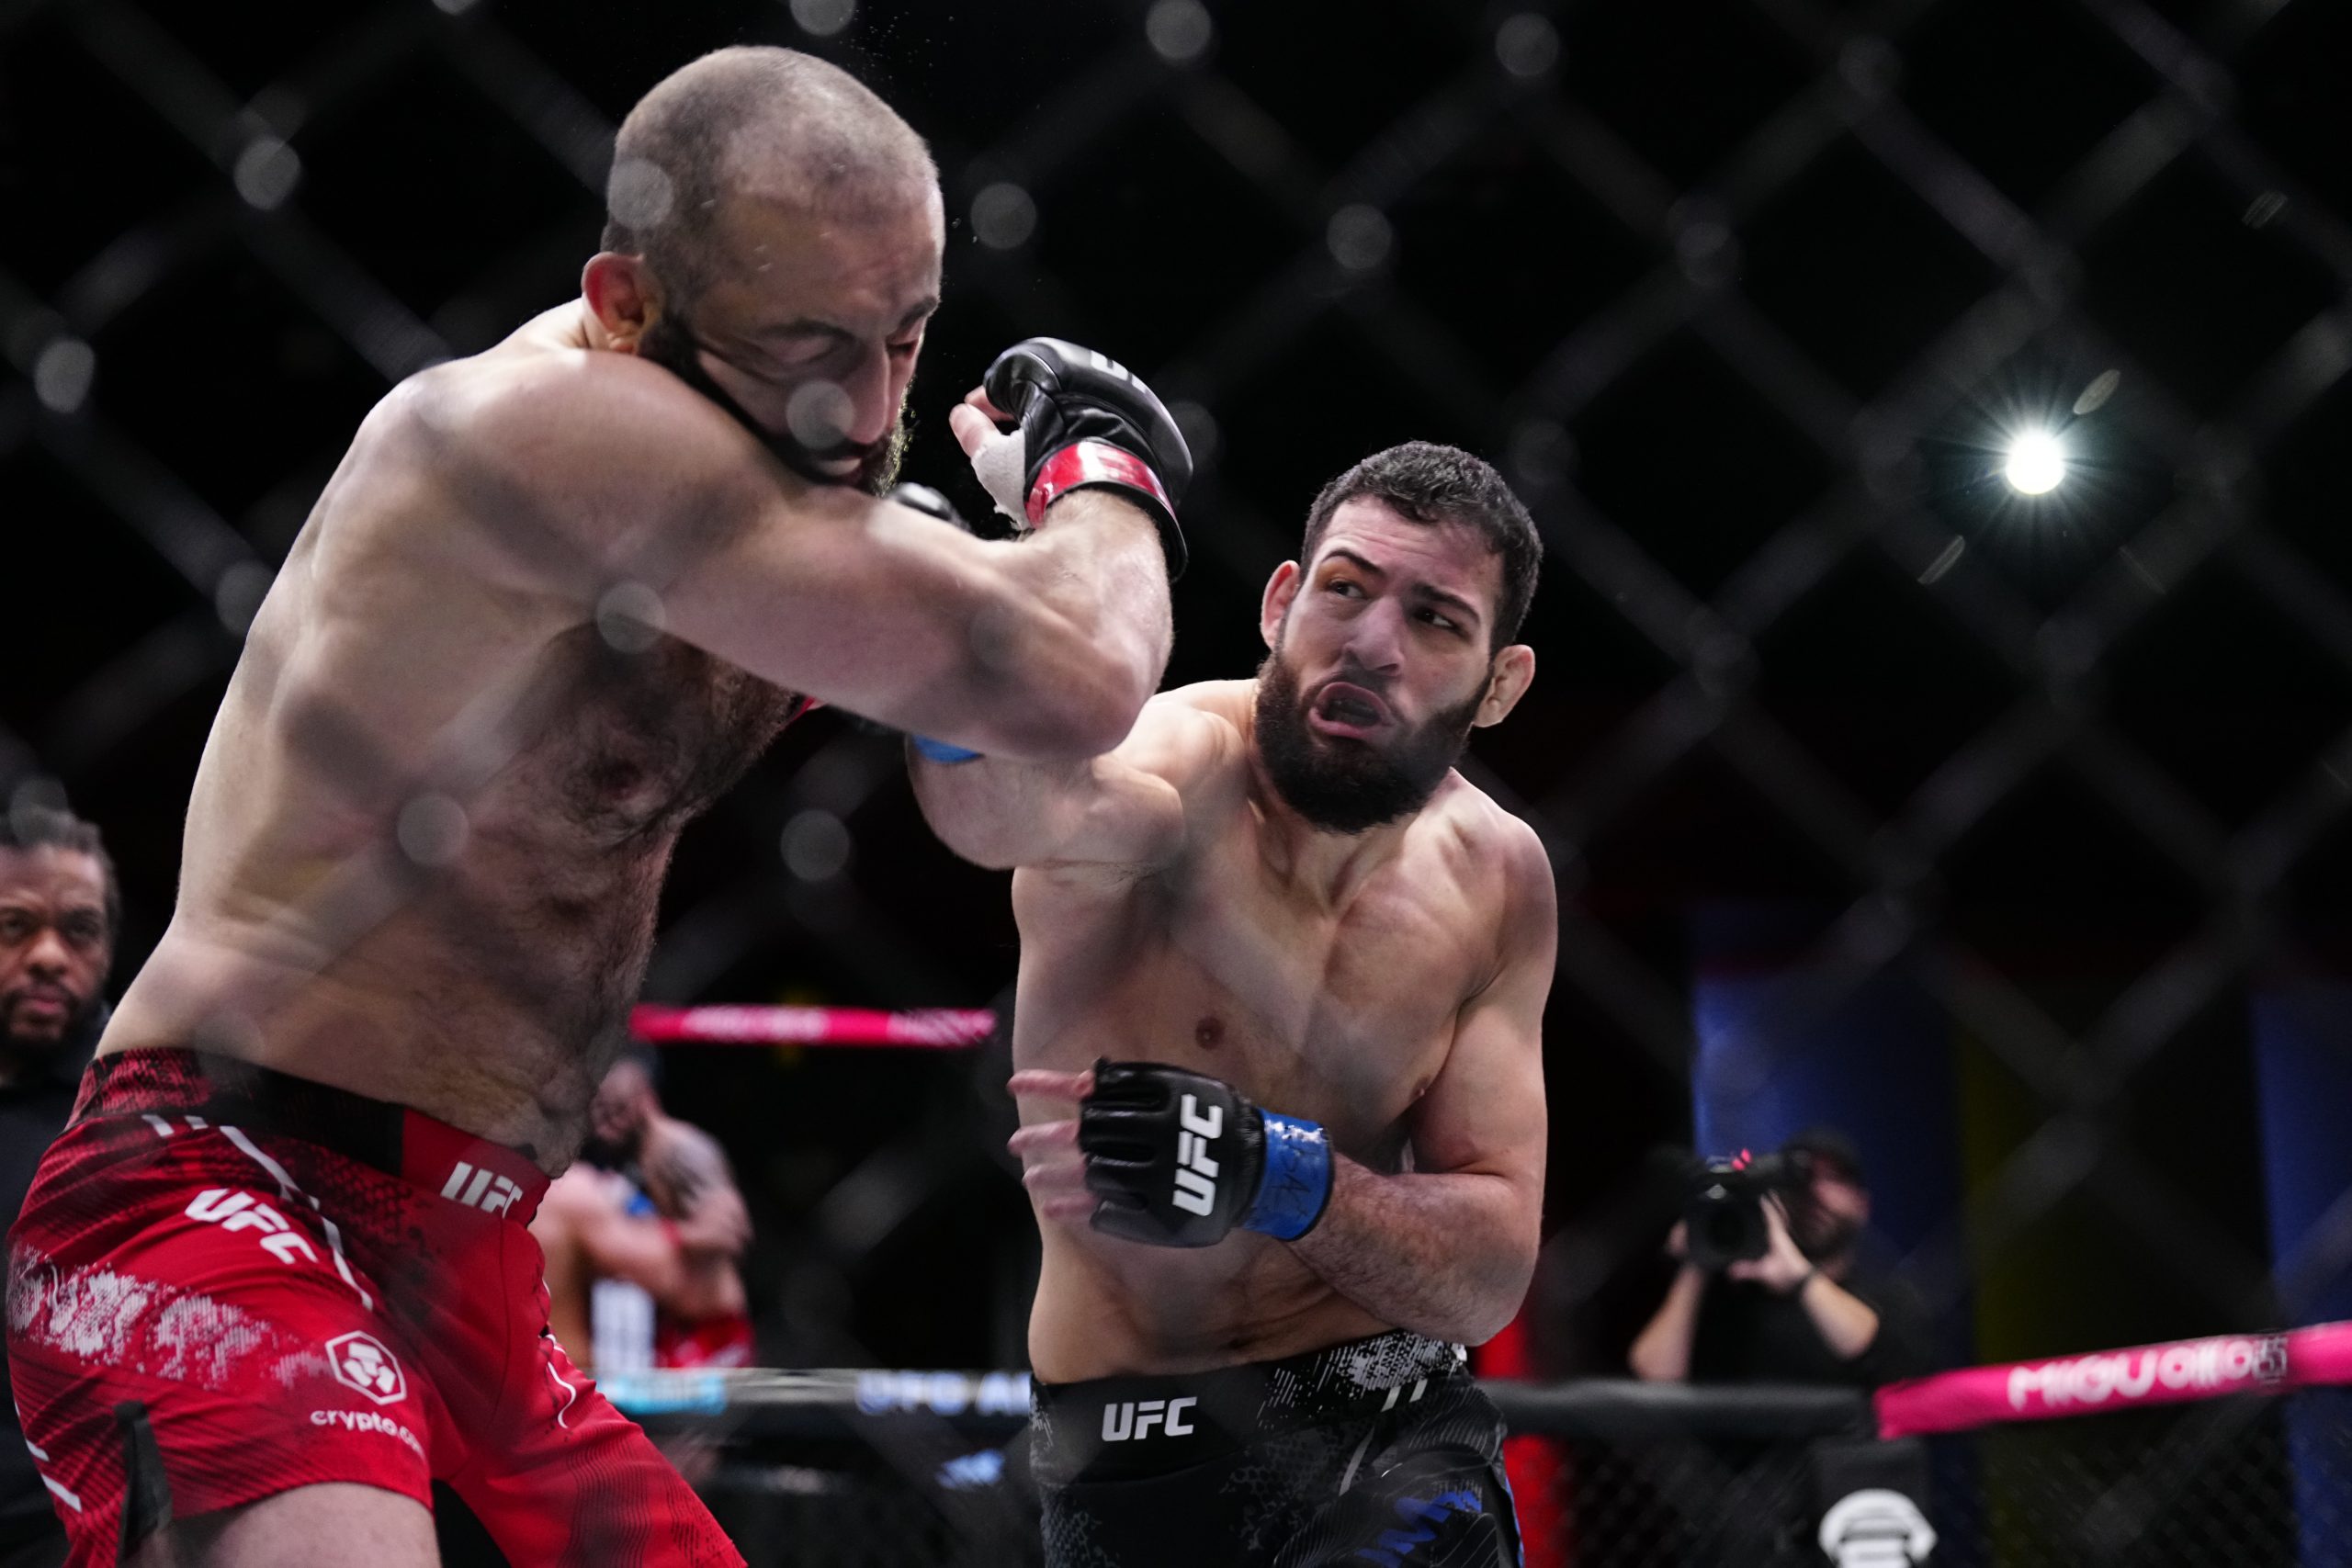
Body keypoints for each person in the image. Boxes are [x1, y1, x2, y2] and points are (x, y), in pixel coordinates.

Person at [6, 45, 1185, 1568]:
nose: (867, 404)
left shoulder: (789, 518)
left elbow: (1006, 810)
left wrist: (989, 653)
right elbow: (1084, 670)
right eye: (810, 347)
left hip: (475, 1260)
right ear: (627, 304)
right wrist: (1104, 471)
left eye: (906, 335)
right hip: (225, 1175)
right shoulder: (542, 435)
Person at [912, 442, 1555, 1568]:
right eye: (1345, 588)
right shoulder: (1175, 762)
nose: (1371, 642)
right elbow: (1006, 811)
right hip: (1131, 1451)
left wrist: (1273, 1172)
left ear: (1497, 684)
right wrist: (940, 660)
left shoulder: (1497, 876)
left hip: (1392, 1424)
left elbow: (1488, 1277)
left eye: (1434, 619)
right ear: (1280, 602)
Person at [0, 808, 118, 1568]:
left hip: (81, 1533)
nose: (48, 955)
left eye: (79, 930)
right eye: (14, 926)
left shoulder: (149, 1114)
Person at [1626, 1127, 1933, 1388]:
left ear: (1862, 1206)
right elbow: (1655, 1381)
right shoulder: (1730, 1292)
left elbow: (1887, 1363)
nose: (1814, 1193)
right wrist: (1700, 1253)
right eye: (1799, 1178)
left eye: (1833, 1179)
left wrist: (1798, 1275)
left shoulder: (1890, 1297)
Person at [532, 1051, 755, 1372]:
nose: (605, 1113)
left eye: (618, 1102)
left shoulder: (678, 1150)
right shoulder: (576, 1159)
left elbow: (728, 1235)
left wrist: (668, 1238)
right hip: (635, 1331)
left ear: (645, 1094)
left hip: (701, 1336)